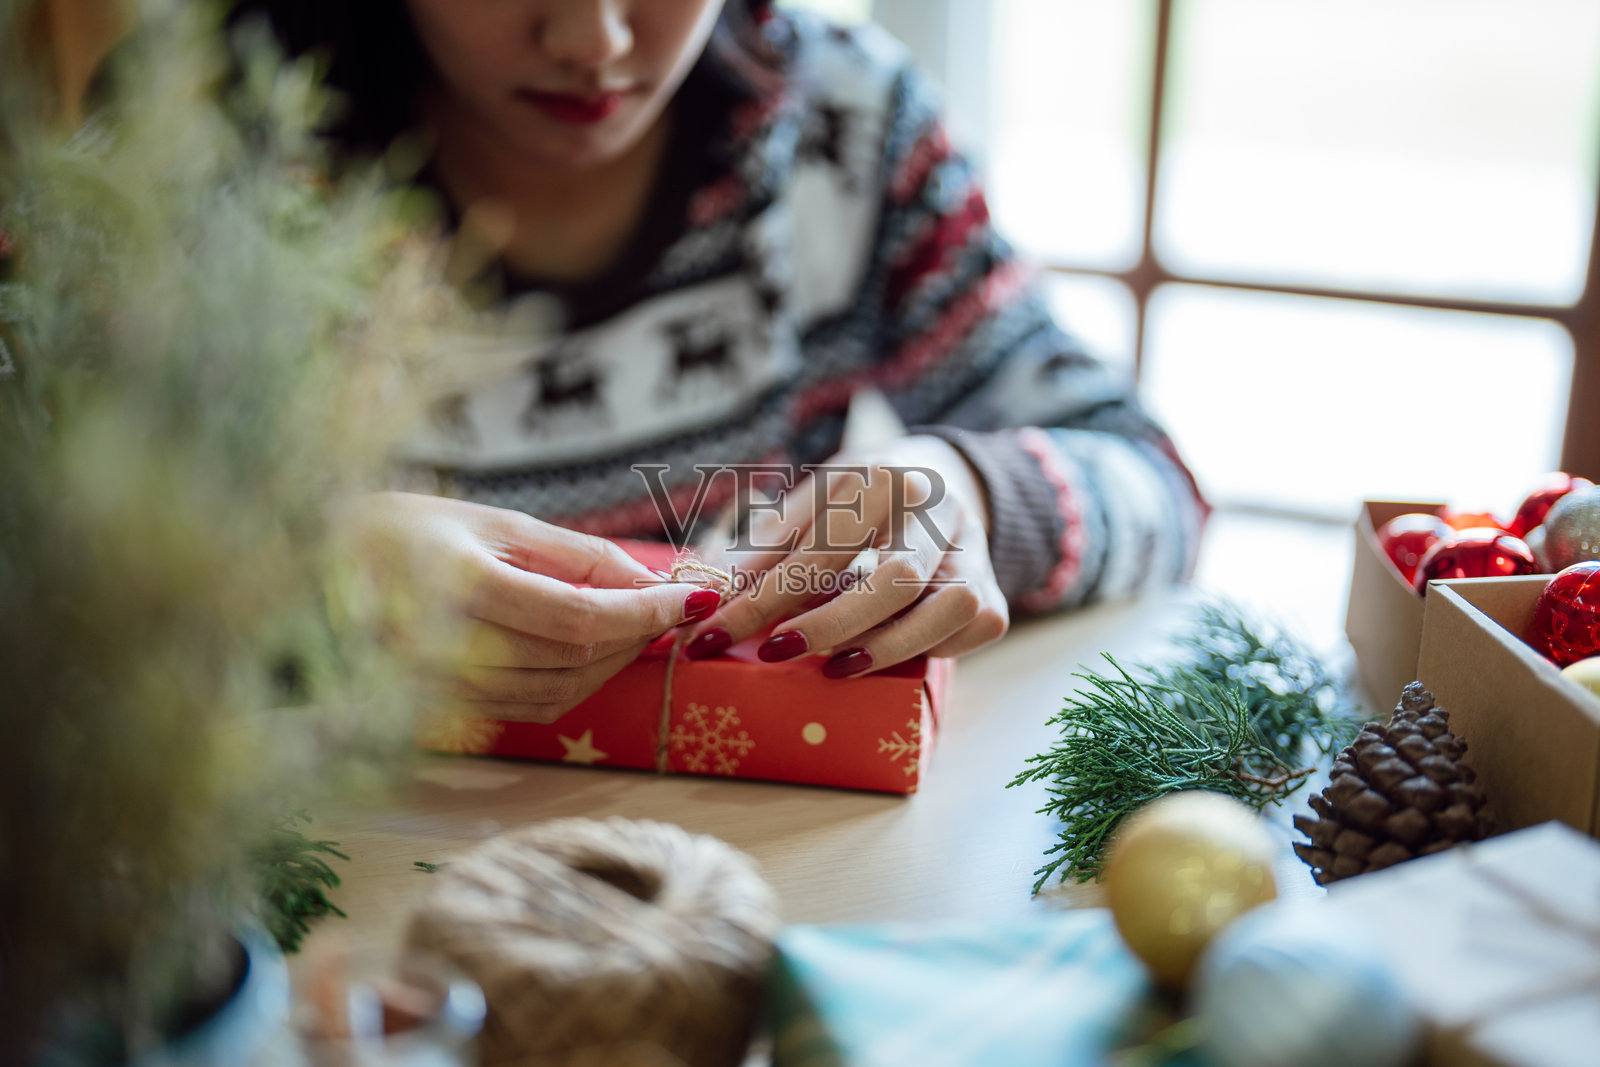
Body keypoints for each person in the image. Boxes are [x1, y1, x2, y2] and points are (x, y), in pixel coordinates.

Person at [238, 0, 1208, 724]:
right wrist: (310, 570)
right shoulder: (212, 148)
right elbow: (82, 593)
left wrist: (971, 489)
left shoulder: (844, 125)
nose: (594, 41)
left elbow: (1156, 483)